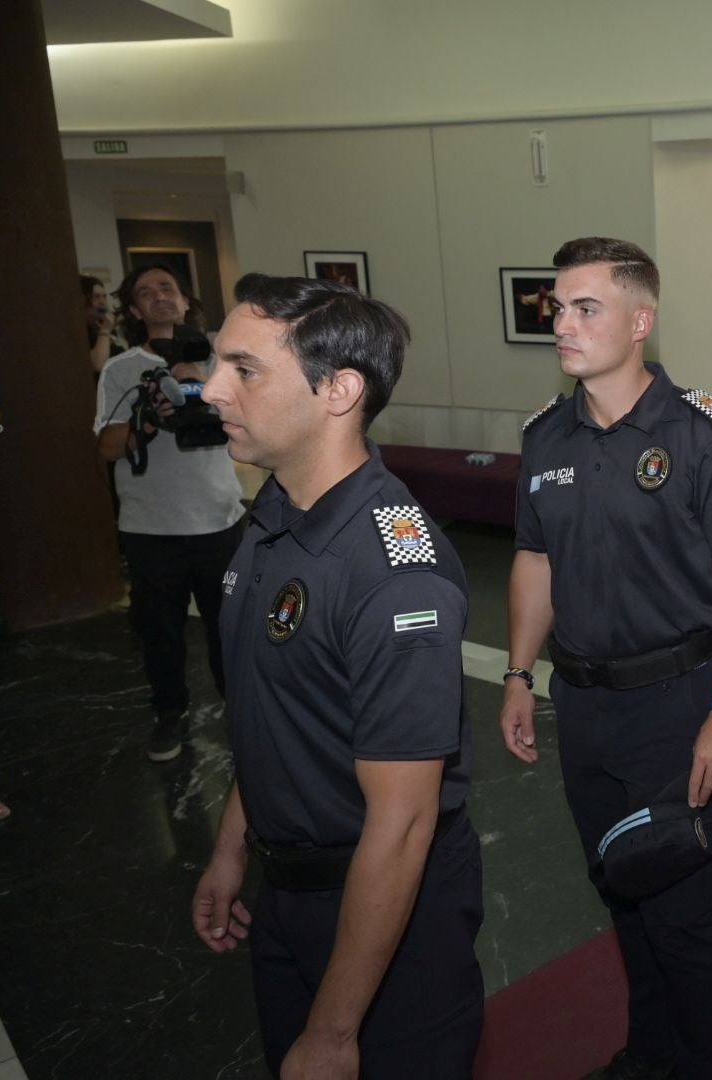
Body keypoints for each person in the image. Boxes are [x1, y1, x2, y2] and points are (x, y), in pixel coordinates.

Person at [190, 273, 484, 1078]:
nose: (212, 388)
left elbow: (403, 825)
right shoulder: (275, 515)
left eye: (244, 370)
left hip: (388, 912)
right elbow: (276, 712)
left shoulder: (394, 569)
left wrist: (334, 1031)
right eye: (218, 363)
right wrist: (230, 848)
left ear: (338, 390)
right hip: (287, 892)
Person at [501, 238, 712, 1080]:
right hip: (584, 707)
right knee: (622, 892)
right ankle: (651, 1052)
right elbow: (534, 561)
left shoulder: (703, 434)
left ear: (639, 320)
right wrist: (517, 673)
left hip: (679, 705)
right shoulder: (547, 436)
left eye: (587, 308)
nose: (564, 324)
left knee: (683, 918)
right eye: (559, 307)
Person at [93, 264, 245, 762]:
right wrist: (152, 417)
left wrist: (204, 384)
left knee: (232, 629)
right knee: (160, 633)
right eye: (145, 292)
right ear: (134, 310)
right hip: (151, 528)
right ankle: (169, 715)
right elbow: (109, 447)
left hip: (220, 520)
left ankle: (244, 715)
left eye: (168, 289)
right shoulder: (121, 368)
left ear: (185, 301)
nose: (159, 297)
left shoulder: (223, 359)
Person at [83, 274, 121, 373]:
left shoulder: (101, 325)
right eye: (96, 297)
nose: (102, 302)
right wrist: (105, 330)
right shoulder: (82, 331)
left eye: (104, 297)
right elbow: (98, 365)